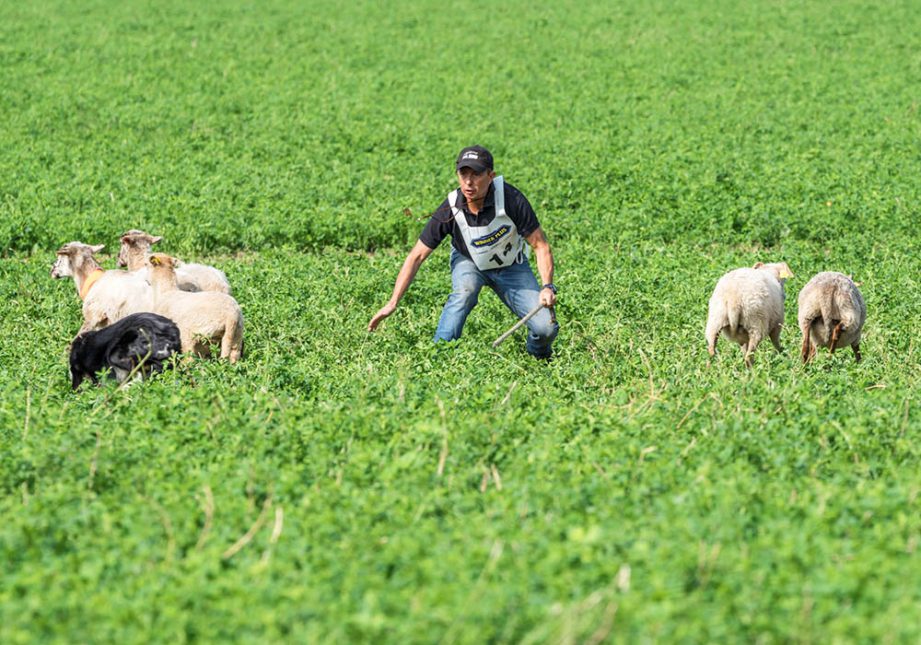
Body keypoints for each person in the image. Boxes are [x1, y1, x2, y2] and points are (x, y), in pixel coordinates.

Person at [368, 145, 559, 359]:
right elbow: (416, 256)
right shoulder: (451, 207)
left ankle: (538, 359)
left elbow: (540, 245)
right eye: (463, 173)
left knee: (546, 328)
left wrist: (547, 286)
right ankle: (439, 357)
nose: (469, 182)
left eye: (476, 174)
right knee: (464, 293)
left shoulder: (511, 199)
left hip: (511, 266)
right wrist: (392, 302)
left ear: (490, 175)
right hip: (469, 263)